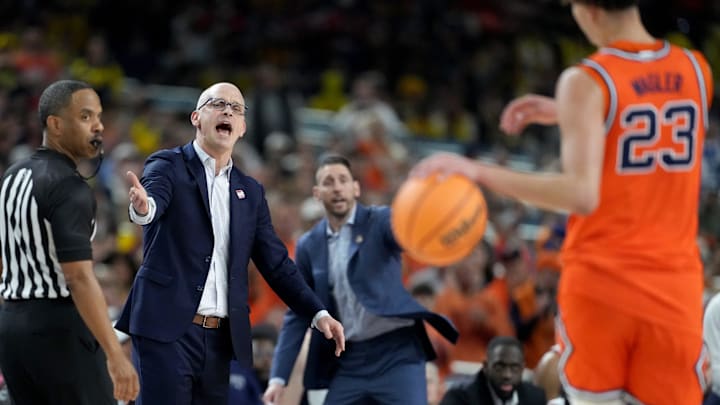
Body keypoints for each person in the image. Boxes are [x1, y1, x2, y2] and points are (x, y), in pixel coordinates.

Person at [411, 1, 713, 404]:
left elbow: (581, 194)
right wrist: (571, 115)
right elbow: (650, 119)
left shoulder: (587, 80)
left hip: (602, 286)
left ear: (589, 11)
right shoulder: (695, 70)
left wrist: (478, 172)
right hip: (673, 288)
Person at [115, 82, 345, 404]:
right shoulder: (167, 164)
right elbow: (152, 200)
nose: (227, 111)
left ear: (243, 127)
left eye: (236, 108)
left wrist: (318, 313)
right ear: (197, 117)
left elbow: (276, 264)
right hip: (165, 331)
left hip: (221, 337)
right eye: (217, 104)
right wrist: (144, 208)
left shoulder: (250, 192)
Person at [264, 155, 458, 404]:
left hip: (396, 353)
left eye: (343, 180)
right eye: (328, 182)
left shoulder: (380, 221)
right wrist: (278, 378)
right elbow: (297, 313)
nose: (336, 187)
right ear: (317, 193)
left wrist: (434, 204)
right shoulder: (309, 245)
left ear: (355, 188)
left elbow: (408, 231)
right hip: (350, 357)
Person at [0, 80, 139, 404]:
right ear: (56, 124)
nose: (98, 126)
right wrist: (115, 356)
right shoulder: (69, 187)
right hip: (58, 329)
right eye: (86, 117)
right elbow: (77, 277)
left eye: (99, 117)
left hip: (11, 326)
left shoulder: (12, 176)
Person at [439, 336, 546, 405]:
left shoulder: (535, 398)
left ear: (522, 368)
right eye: (499, 367)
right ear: (485, 366)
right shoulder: (459, 399)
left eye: (514, 367)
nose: (507, 375)